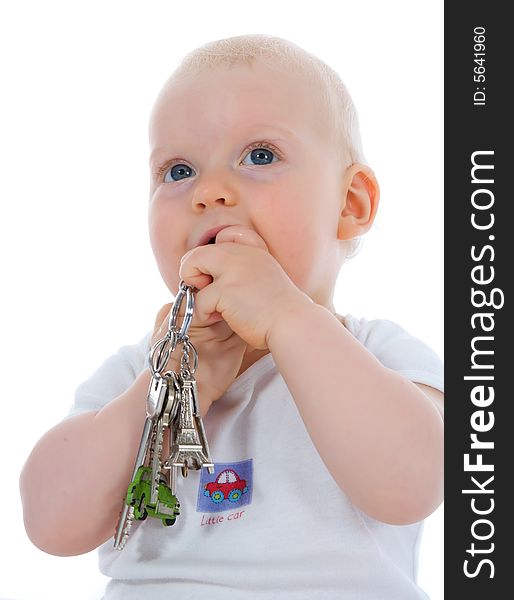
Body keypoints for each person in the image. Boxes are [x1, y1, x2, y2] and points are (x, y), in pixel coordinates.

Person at [19, 34, 444, 599]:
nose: (209, 192)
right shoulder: (136, 374)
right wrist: (169, 392)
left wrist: (287, 318)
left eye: (260, 156)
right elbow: (50, 524)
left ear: (350, 205)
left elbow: (411, 484)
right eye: (177, 171)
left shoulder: (380, 355)